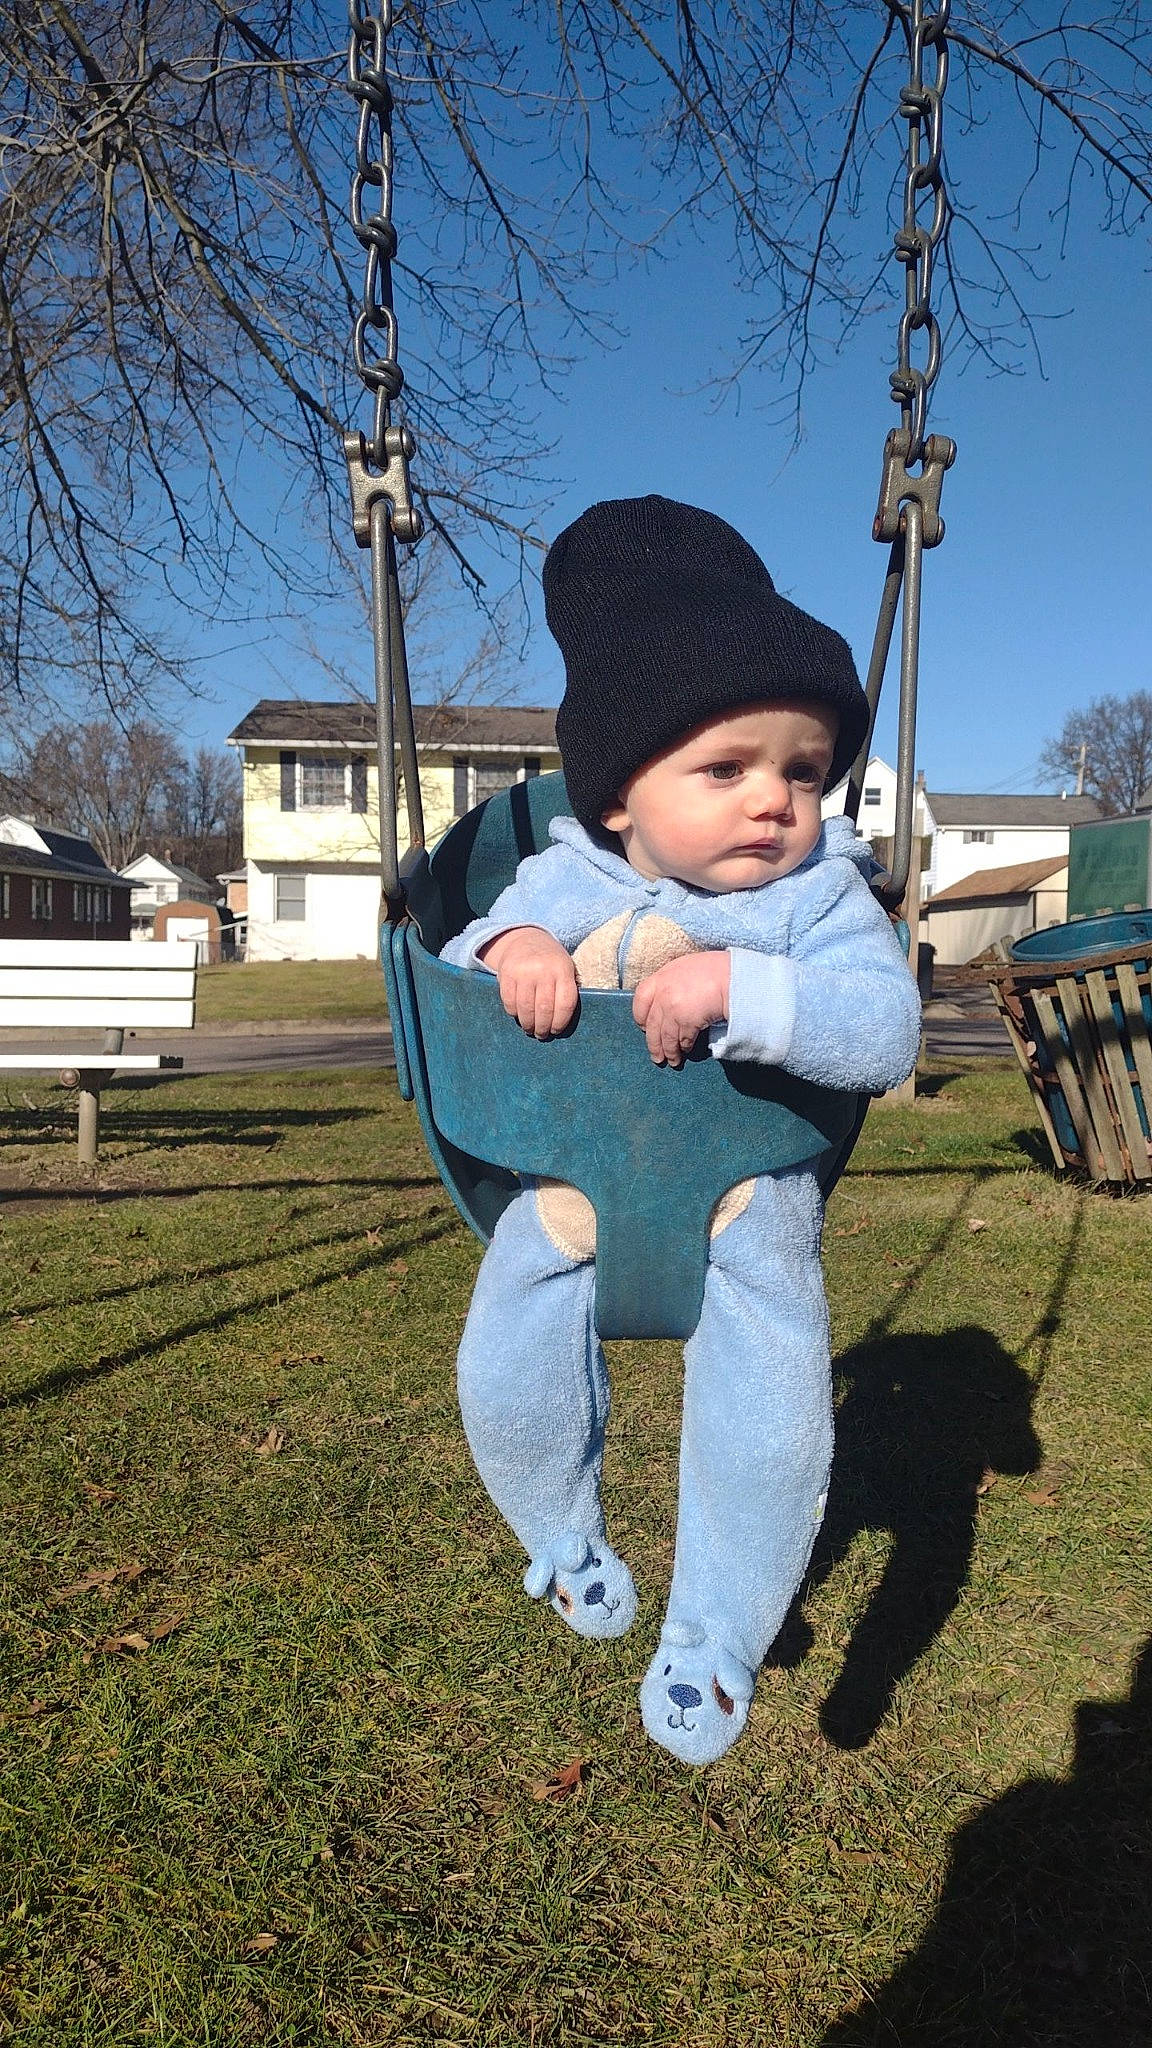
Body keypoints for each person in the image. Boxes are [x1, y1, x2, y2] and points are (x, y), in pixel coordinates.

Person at [441, 495, 920, 1765]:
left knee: (770, 1429)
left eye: (804, 770)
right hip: (573, 1195)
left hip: (751, 1210)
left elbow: (886, 1034)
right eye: (727, 768)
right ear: (618, 797)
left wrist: (741, 991)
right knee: (504, 1366)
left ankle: (716, 1634)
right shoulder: (564, 877)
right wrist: (518, 944)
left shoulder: (823, 897)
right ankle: (561, 1531)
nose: (775, 800)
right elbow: (458, 953)